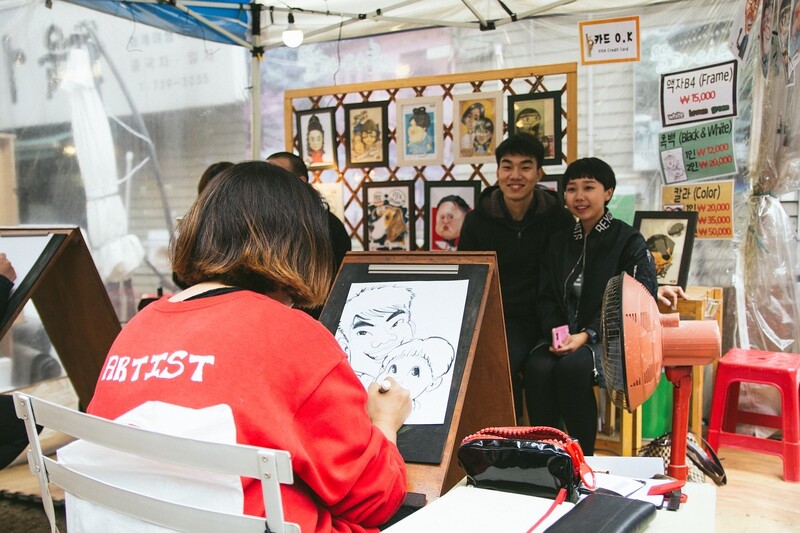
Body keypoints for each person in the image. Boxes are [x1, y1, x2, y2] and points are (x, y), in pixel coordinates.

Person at [64, 162, 412, 531]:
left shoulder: (139, 326)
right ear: (302, 244)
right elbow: (375, 500)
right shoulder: (293, 334)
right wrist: (385, 422)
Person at [524, 157, 658, 456]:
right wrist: (558, 334)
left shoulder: (628, 240)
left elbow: (637, 298)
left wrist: (587, 334)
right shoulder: (559, 241)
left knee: (573, 368)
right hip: (562, 335)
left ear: (608, 192)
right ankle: (548, 452)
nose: (579, 197)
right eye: (572, 189)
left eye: (589, 187)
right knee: (538, 367)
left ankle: (584, 458)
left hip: (610, 339)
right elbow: (545, 295)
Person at [458, 133, 574, 422]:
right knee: (500, 366)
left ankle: (551, 446)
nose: (515, 175)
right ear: (497, 172)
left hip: (552, 316)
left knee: (547, 371)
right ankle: (506, 445)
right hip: (501, 319)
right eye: (507, 167)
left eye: (525, 167)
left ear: (539, 173)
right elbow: (468, 277)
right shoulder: (477, 220)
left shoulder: (558, 218)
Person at [266, 151, 351, 291]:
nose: (269, 182)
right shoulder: (265, 220)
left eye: (277, 175)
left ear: (301, 181)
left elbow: (336, 278)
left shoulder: (328, 224)